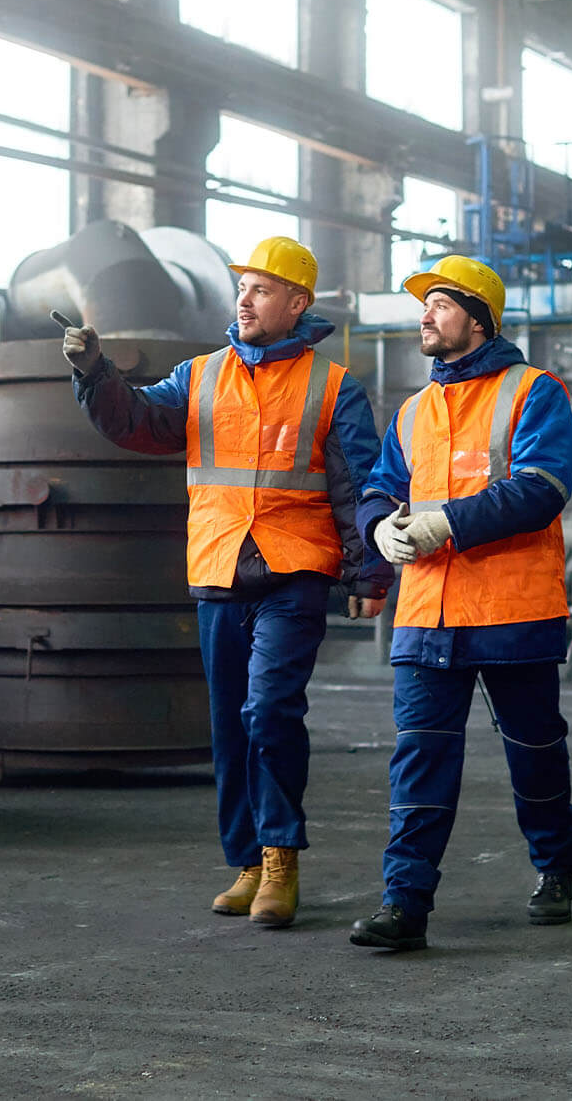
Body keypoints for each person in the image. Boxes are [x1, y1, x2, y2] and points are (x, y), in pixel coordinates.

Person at [64, 235, 393, 930]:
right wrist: (95, 372)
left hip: (293, 569)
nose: (244, 298)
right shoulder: (201, 375)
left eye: (262, 289)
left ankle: (280, 856)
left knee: (269, 710)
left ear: (297, 304)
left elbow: (359, 485)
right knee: (229, 726)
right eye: (241, 286)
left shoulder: (334, 388)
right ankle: (245, 863)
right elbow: (138, 422)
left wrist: (370, 572)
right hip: (218, 568)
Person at [346, 255, 572, 953]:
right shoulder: (414, 411)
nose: (425, 315)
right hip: (426, 616)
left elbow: (543, 487)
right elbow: (379, 488)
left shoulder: (534, 393)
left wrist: (445, 520)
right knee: (419, 760)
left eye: (440, 304)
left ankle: (555, 868)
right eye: (425, 304)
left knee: (535, 754)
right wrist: (378, 527)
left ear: (478, 319)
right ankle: (404, 902)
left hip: (512, 610)